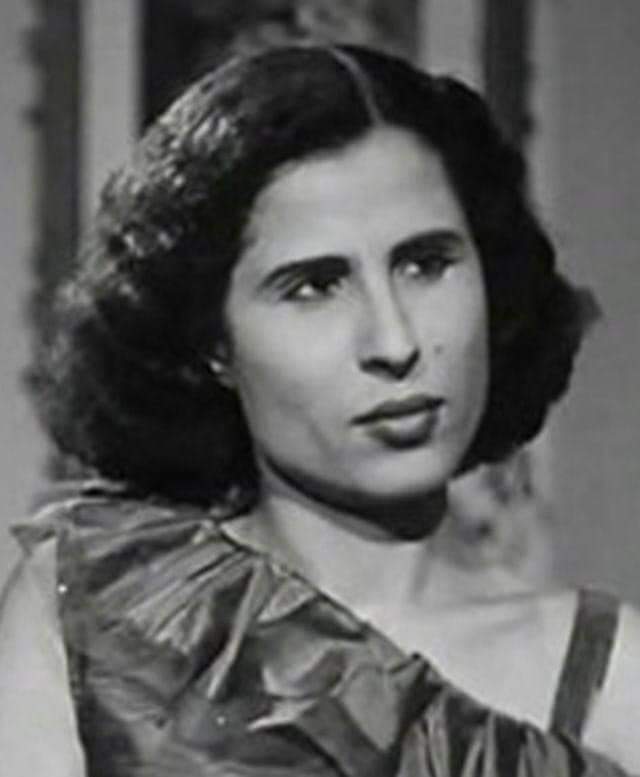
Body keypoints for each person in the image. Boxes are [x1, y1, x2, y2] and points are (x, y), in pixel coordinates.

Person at [1, 43, 638, 776]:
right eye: (313, 286)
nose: (395, 342)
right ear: (213, 342)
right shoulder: (102, 616)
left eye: (426, 264)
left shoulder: (614, 677)